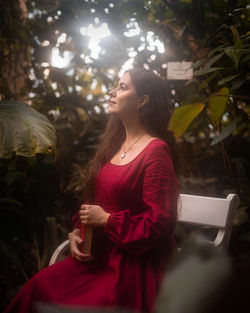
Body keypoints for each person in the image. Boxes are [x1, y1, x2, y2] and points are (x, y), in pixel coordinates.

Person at [4, 68, 179, 313]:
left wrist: (108, 220)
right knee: (38, 287)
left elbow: (159, 223)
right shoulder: (114, 146)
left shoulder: (156, 152)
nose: (112, 91)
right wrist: (78, 231)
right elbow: (93, 203)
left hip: (133, 266)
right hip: (97, 259)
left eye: (122, 86)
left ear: (142, 100)